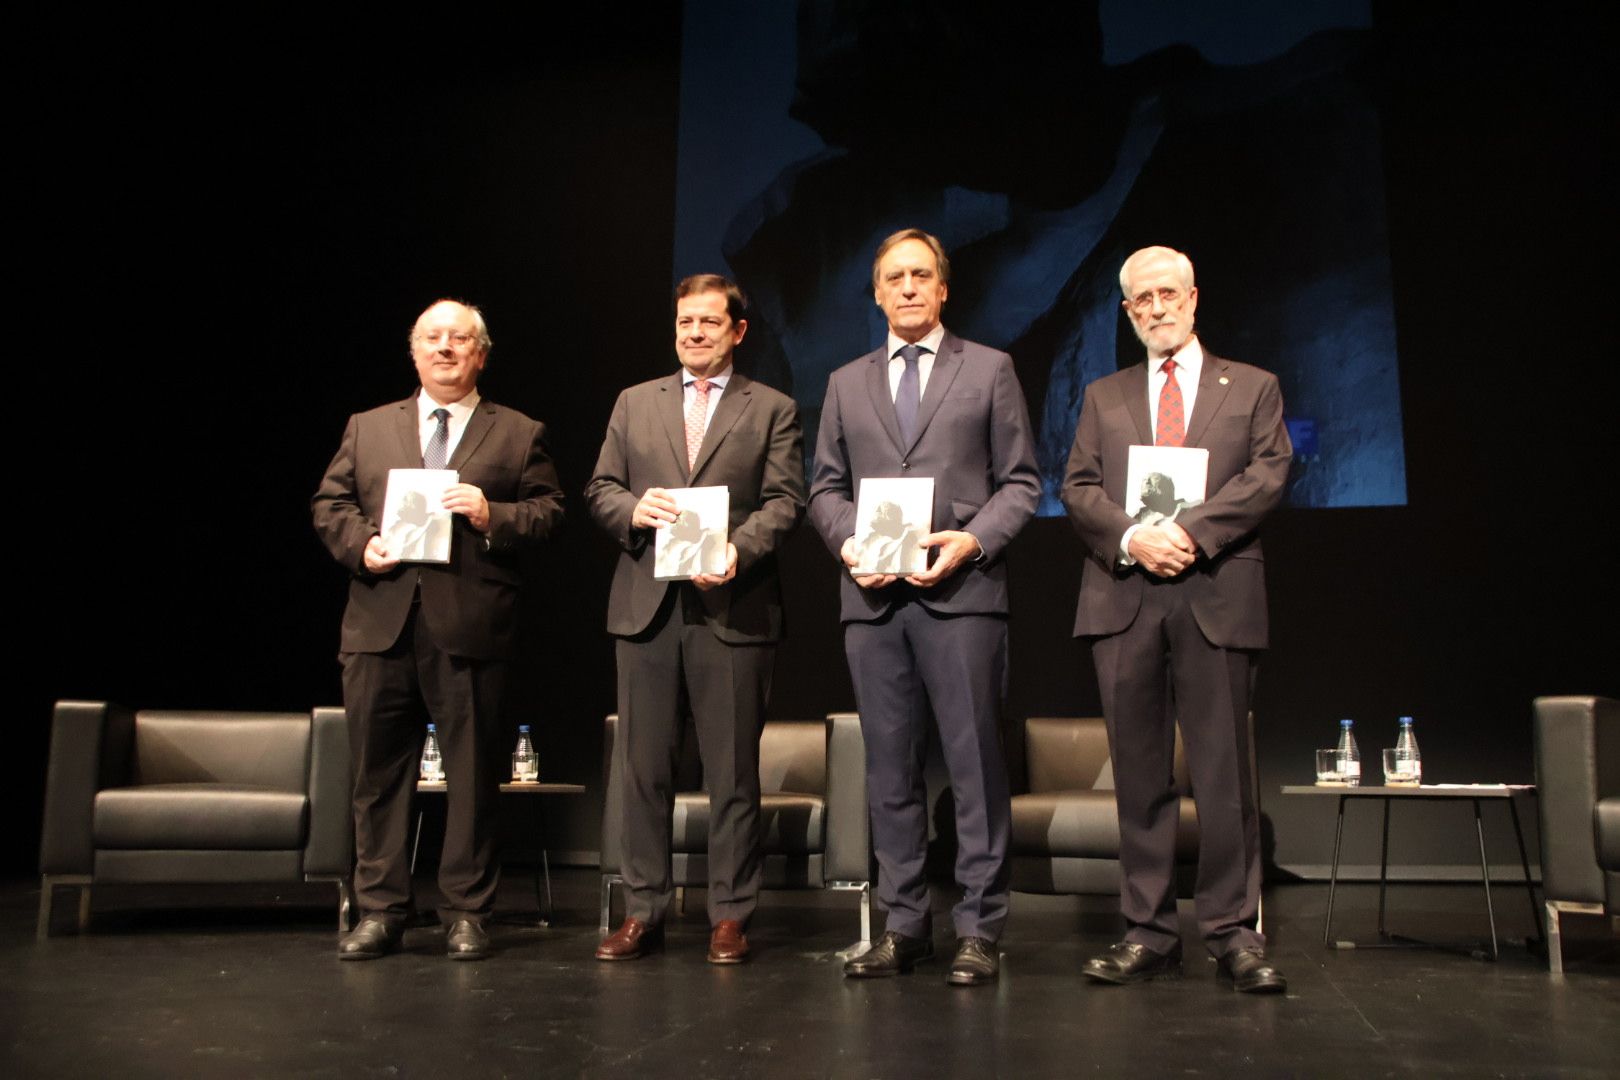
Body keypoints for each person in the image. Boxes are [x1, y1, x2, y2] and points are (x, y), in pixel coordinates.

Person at [809, 228, 1040, 986]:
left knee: (975, 766)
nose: (907, 288)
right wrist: (849, 545)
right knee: (889, 772)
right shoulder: (846, 382)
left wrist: (970, 543)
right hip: (873, 603)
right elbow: (824, 489)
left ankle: (979, 927)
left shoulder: (991, 369)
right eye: (893, 277)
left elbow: (1021, 485)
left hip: (962, 597)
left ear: (943, 289)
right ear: (876, 293)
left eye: (920, 276)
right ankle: (904, 925)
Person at [1061, 245, 1292, 993]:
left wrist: (1187, 532)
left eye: (1168, 294)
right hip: (1125, 597)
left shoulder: (1252, 387)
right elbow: (1080, 486)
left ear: (1194, 298)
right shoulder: (1104, 394)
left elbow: (1267, 473)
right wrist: (1135, 535)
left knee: (1224, 773)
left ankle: (1232, 931)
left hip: (1215, 593)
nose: (1157, 308)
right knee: (1138, 776)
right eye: (1141, 300)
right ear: (1128, 313)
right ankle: (1149, 931)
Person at [312, 299, 564, 961]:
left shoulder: (518, 431)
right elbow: (329, 504)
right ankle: (381, 911)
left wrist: (493, 514)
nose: (445, 348)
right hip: (379, 622)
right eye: (432, 337)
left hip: (470, 623)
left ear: (480, 353)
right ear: (414, 350)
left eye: (459, 338)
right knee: (377, 777)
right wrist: (361, 545)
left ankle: (467, 913)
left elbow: (547, 512)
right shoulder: (368, 427)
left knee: (475, 776)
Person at [585, 274, 804, 964]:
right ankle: (642, 910)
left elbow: (786, 500)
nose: (695, 334)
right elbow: (600, 488)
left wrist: (738, 548)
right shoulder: (633, 402)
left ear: (738, 331)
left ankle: (730, 915)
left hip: (730, 608)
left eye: (710, 322)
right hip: (647, 607)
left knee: (732, 771)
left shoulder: (771, 407)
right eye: (685, 322)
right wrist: (631, 511)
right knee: (643, 769)